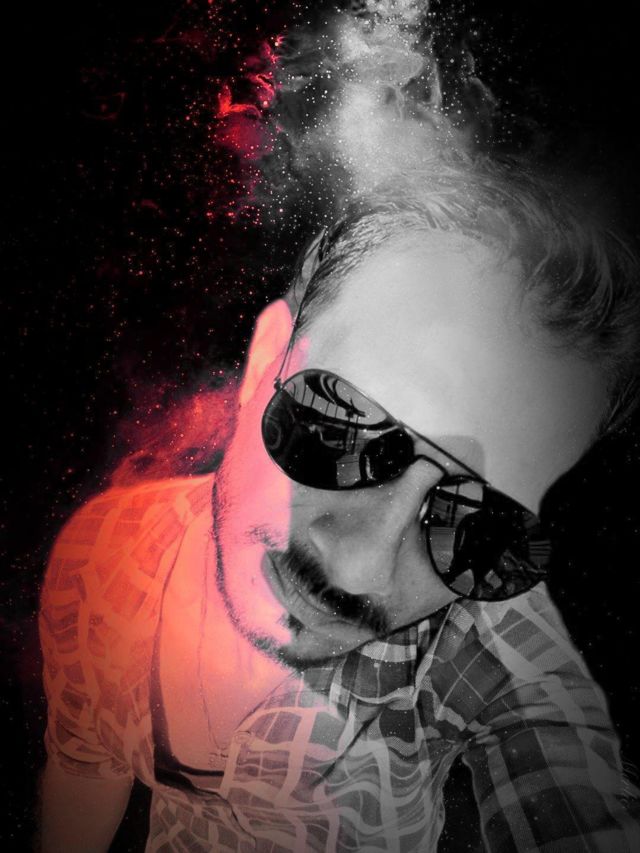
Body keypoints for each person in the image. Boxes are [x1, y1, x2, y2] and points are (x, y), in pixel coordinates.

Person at [39, 159, 640, 852]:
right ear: (267, 359)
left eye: (481, 529)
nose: (360, 570)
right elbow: (85, 766)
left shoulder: (482, 650)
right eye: (339, 428)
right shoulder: (104, 554)